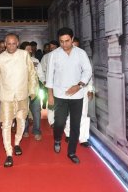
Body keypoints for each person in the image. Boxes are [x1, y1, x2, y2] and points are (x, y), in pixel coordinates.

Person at [46, 27, 92, 164]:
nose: (64, 44)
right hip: (60, 94)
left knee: (75, 125)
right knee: (59, 123)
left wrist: (79, 85)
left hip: (77, 95)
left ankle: (71, 152)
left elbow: (88, 71)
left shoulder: (81, 53)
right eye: (61, 41)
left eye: (67, 41)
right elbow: (49, 75)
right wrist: (50, 95)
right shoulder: (54, 54)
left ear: (72, 39)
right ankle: (57, 139)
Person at [0, 33, 38, 167]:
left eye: (13, 43)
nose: (11, 46)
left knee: (21, 122)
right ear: (5, 44)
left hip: (22, 96)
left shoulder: (24, 55)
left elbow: (31, 73)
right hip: (6, 98)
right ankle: (9, 153)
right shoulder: (0, 58)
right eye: (8, 43)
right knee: (6, 125)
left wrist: (33, 90)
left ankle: (17, 143)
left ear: (17, 43)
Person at [64, 37, 94, 147]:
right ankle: (68, 133)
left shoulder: (84, 57)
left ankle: (83, 138)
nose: (75, 47)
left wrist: (90, 89)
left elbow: (90, 75)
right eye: (73, 45)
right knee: (71, 113)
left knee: (83, 114)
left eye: (77, 45)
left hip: (83, 89)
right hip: (70, 90)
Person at [20, 41, 45, 141]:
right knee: (24, 112)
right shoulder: (17, 61)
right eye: (28, 49)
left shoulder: (35, 61)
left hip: (35, 90)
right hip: (22, 91)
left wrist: (44, 81)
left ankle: (37, 131)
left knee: (36, 112)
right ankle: (25, 130)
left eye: (30, 49)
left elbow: (41, 74)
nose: (30, 50)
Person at [40, 40, 59, 123]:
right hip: (50, 83)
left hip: (60, 84)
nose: (51, 49)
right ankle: (51, 121)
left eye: (53, 47)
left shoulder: (62, 56)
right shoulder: (46, 57)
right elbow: (41, 70)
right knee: (51, 101)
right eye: (50, 48)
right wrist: (44, 81)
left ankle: (59, 119)